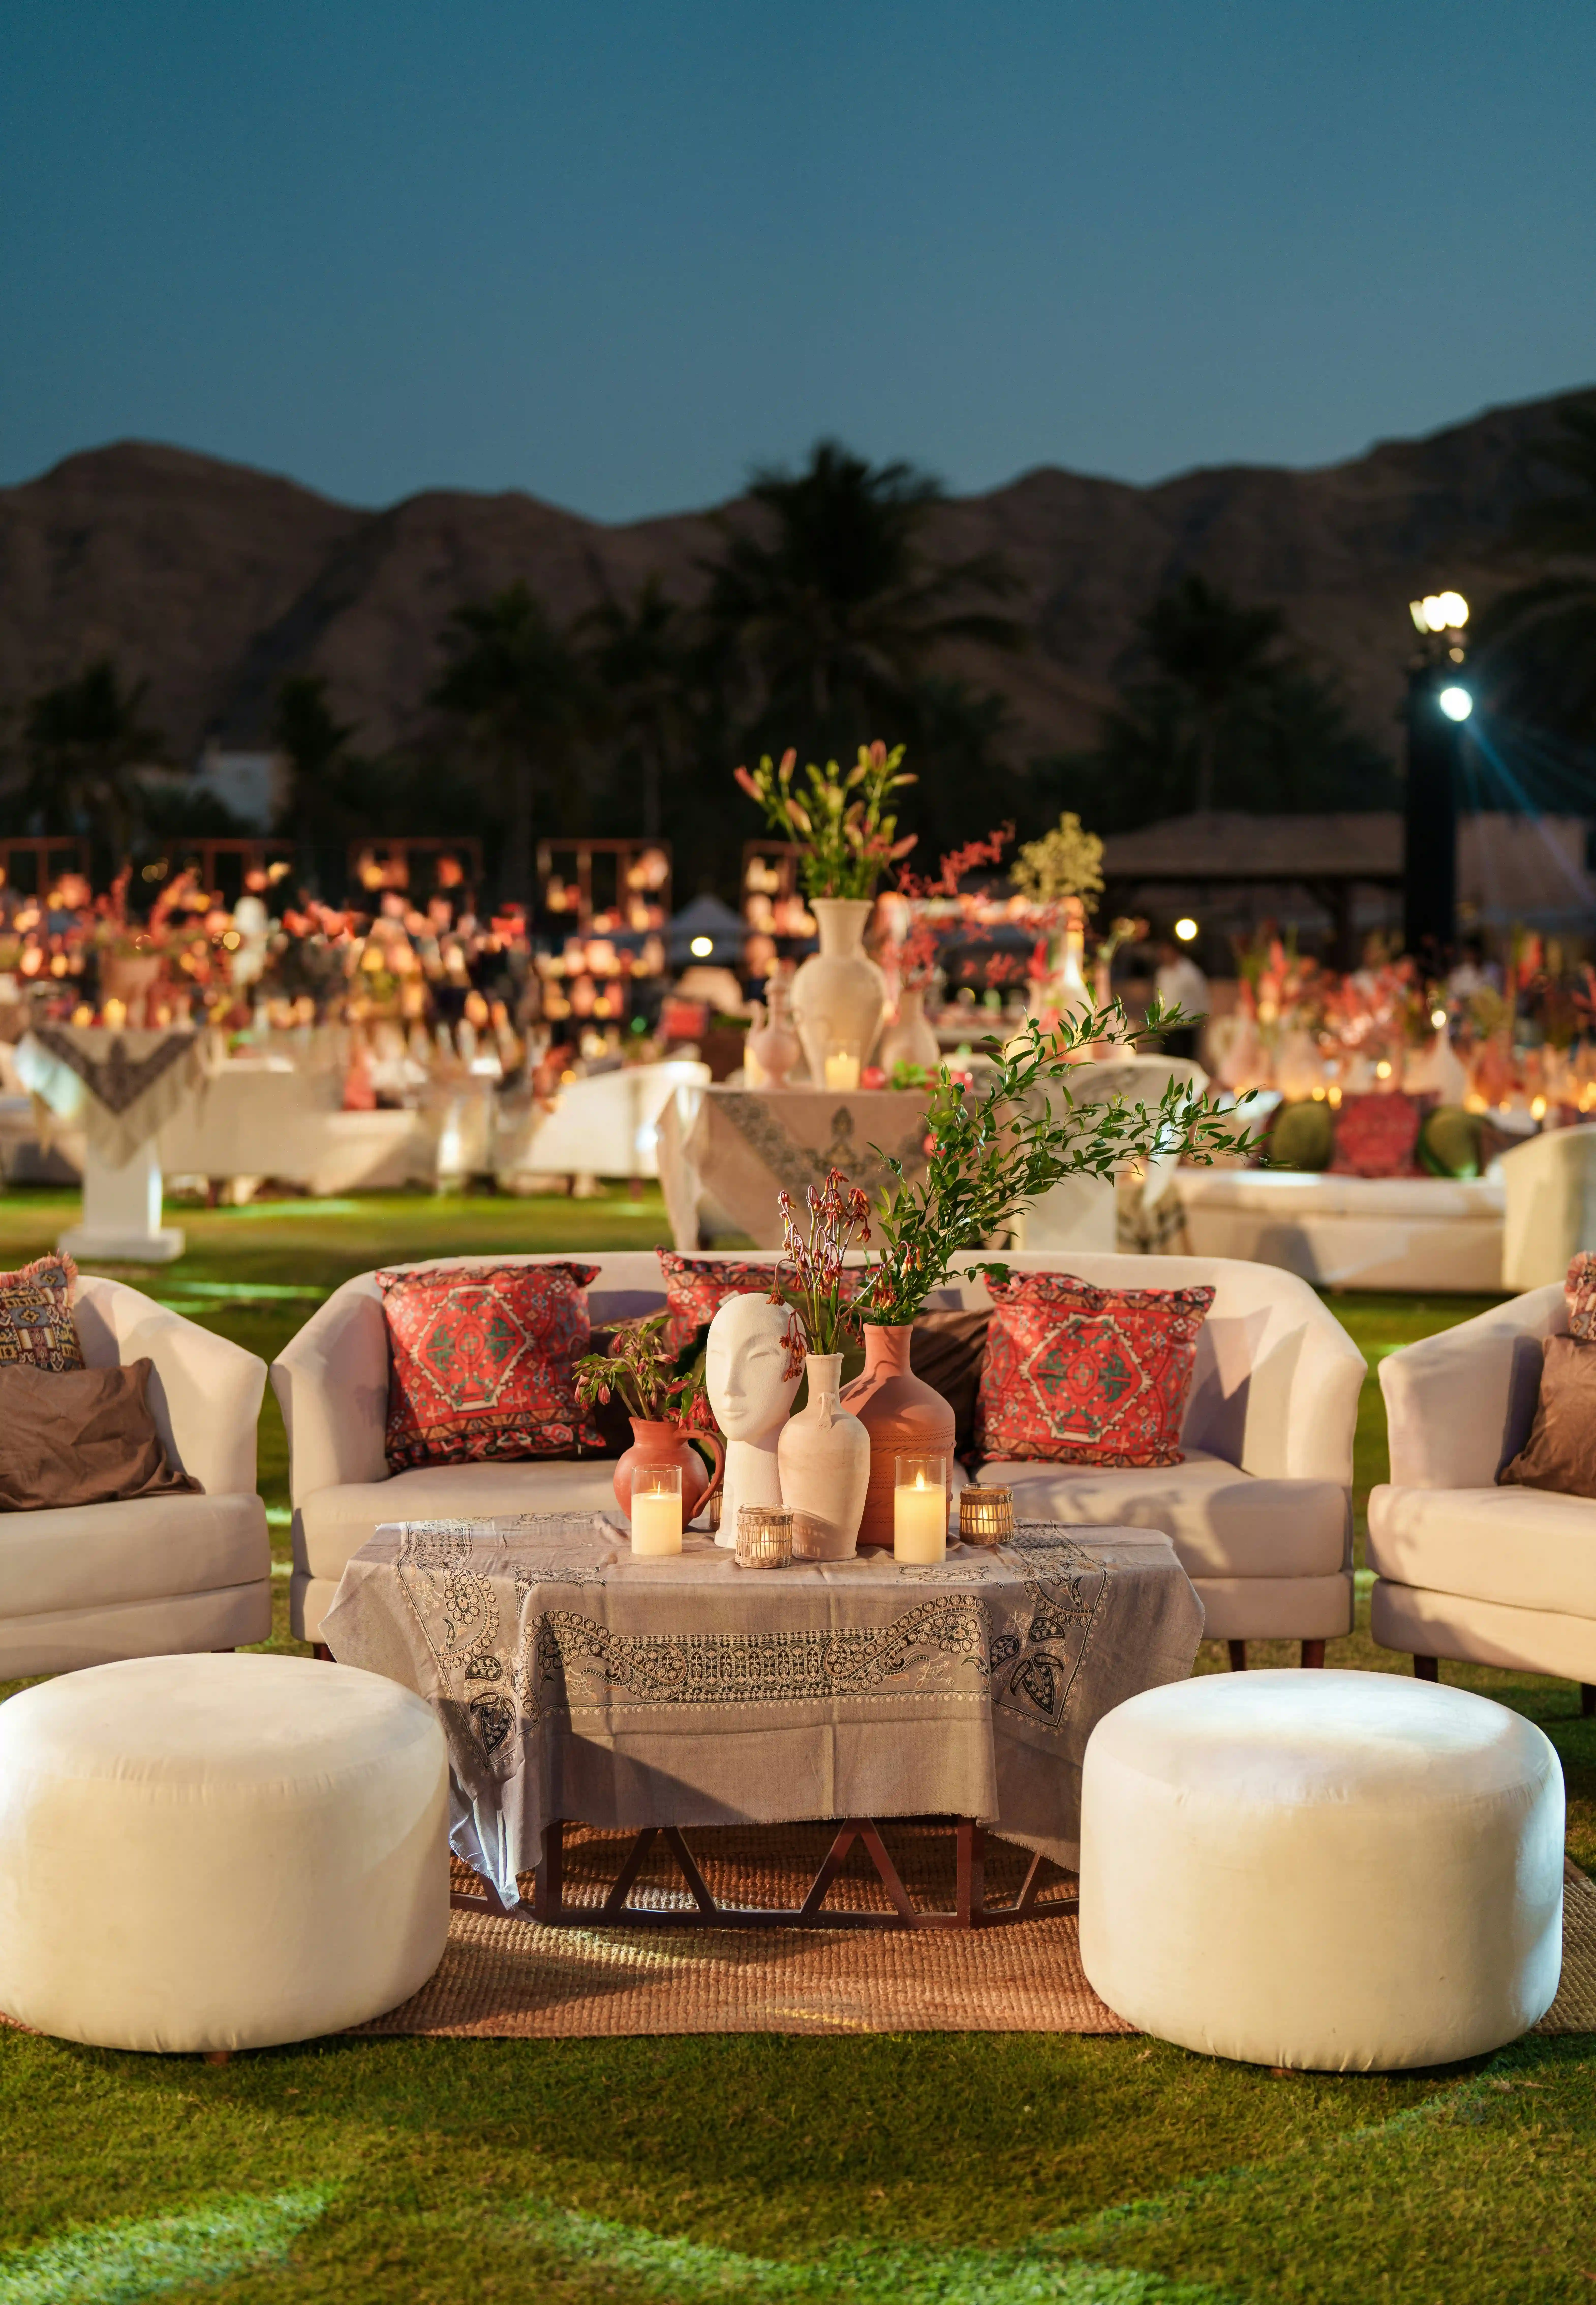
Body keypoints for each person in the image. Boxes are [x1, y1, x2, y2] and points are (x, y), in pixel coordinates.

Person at [1155, 938, 1209, 1060]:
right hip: (1167, 1026)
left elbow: (1201, 995)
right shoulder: (1162, 973)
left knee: (1185, 1062)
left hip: (1185, 1027)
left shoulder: (1190, 972)